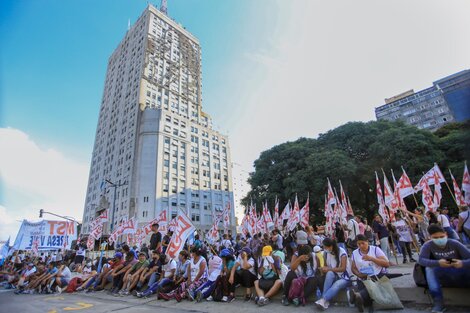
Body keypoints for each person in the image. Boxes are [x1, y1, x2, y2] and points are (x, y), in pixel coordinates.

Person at [418, 224, 470, 313]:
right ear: (430, 237)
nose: (439, 239)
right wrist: (438, 263)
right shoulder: (428, 245)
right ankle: (438, 302)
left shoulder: (455, 243)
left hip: (461, 271)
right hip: (443, 273)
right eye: (435, 238)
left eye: (442, 236)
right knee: (429, 269)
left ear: (446, 234)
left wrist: (463, 263)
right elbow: (421, 260)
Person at [349, 234, 390, 312]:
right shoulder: (355, 253)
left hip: (376, 276)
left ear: (367, 242)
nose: (361, 246)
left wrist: (372, 258)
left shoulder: (375, 249)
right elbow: (353, 268)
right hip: (362, 277)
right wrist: (358, 274)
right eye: (358, 244)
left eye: (363, 243)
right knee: (366, 299)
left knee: (369, 288)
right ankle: (359, 297)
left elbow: (386, 264)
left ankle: (357, 296)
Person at [315, 238, 351, 310]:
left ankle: (324, 299)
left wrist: (329, 269)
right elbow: (328, 267)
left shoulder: (342, 252)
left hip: (345, 277)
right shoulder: (327, 253)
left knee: (336, 284)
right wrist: (323, 268)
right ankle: (325, 301)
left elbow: (343, 268)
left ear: (331, 246)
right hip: (335, 275)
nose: (324, 249)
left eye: (325, 247)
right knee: (329, 273)